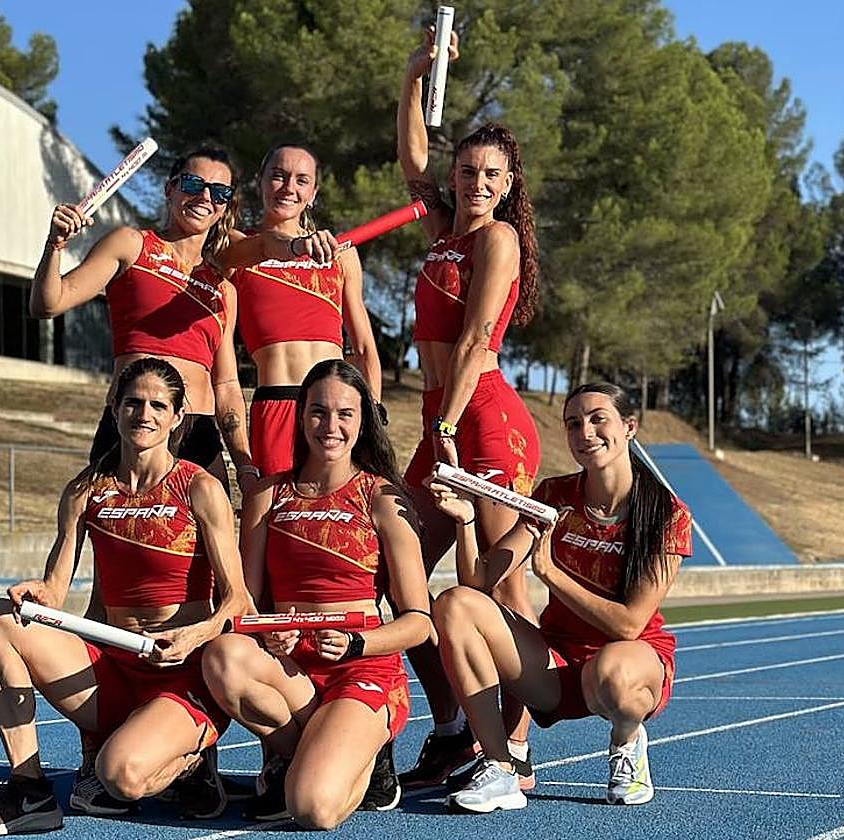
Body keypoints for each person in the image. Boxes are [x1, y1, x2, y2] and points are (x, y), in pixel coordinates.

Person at [0, 358, 250, 835]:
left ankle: (191, 760)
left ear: (178, 417)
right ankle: (28, 789)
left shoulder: (200, 487)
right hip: (111, 668)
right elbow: (54, 590)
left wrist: (193, 637)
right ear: (113, 407)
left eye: (159, 405)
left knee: (122, 778)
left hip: (180, 673)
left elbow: (237, 600)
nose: (144, 414)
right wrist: (39, 591)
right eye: (133, 402)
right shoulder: (85, 489)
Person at [428, 382, 692, 813]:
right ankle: (500, 766)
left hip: (627, 661)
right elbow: (479, 581)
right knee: (454, 604)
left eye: (597, 419)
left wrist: (551, 574)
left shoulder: (667, 513)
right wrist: (466, 520)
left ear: (629, 427)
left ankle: (627, 742)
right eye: (573, 424)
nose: (584, 432)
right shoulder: (553, 496)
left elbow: (629, 624)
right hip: (555, 664)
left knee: (614, 669)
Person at [394, 28, 543, 790]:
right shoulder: (444, 229)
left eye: (490, 173)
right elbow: (411, 160)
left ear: (509, 179)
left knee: (493, 586)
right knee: (401, 577)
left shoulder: (500, 240)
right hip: (440, 423)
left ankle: (510, 750)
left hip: (482, 420)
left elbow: (481, 335)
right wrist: (417, 75)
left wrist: (446, 428)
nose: (476, 182)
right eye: (467, 171)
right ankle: (453, 725)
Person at [200, 359, 432, 829]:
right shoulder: (267, 496)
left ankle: (363, 756)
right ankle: (312, 751)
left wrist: (356, 644)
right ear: (301, 415)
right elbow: (247, 604)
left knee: (312, 809)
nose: (331, 426)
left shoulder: (383, 498)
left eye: (345, 414)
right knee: (222, 657)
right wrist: (268, 634)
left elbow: (419, 621)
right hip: (292, 666)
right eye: (318, 412)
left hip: (360, 666)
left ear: (363, 419)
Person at [30, 145, 257, 492]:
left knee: (207, 546)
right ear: (170, 189)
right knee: (114, 542)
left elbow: (225, 385)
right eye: (194, 185)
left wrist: (243, 461)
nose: (205, 197)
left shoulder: (224, 289)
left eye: (220, 192)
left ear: (226, 205)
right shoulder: (131, 245)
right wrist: (55, 246)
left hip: (197, 431)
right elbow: (49, 304)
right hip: (133, 421)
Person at [217, 144, 383, 478]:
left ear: (314, 192)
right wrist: (295, 247)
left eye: (301, 180)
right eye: (278, 176)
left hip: (337, 406)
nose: (289, 188)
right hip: (278, 401)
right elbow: (258, 247)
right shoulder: (238, 244)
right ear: (259, 181)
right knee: (275, 516)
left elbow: (364, 347)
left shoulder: (340, 254)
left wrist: (373, 410)